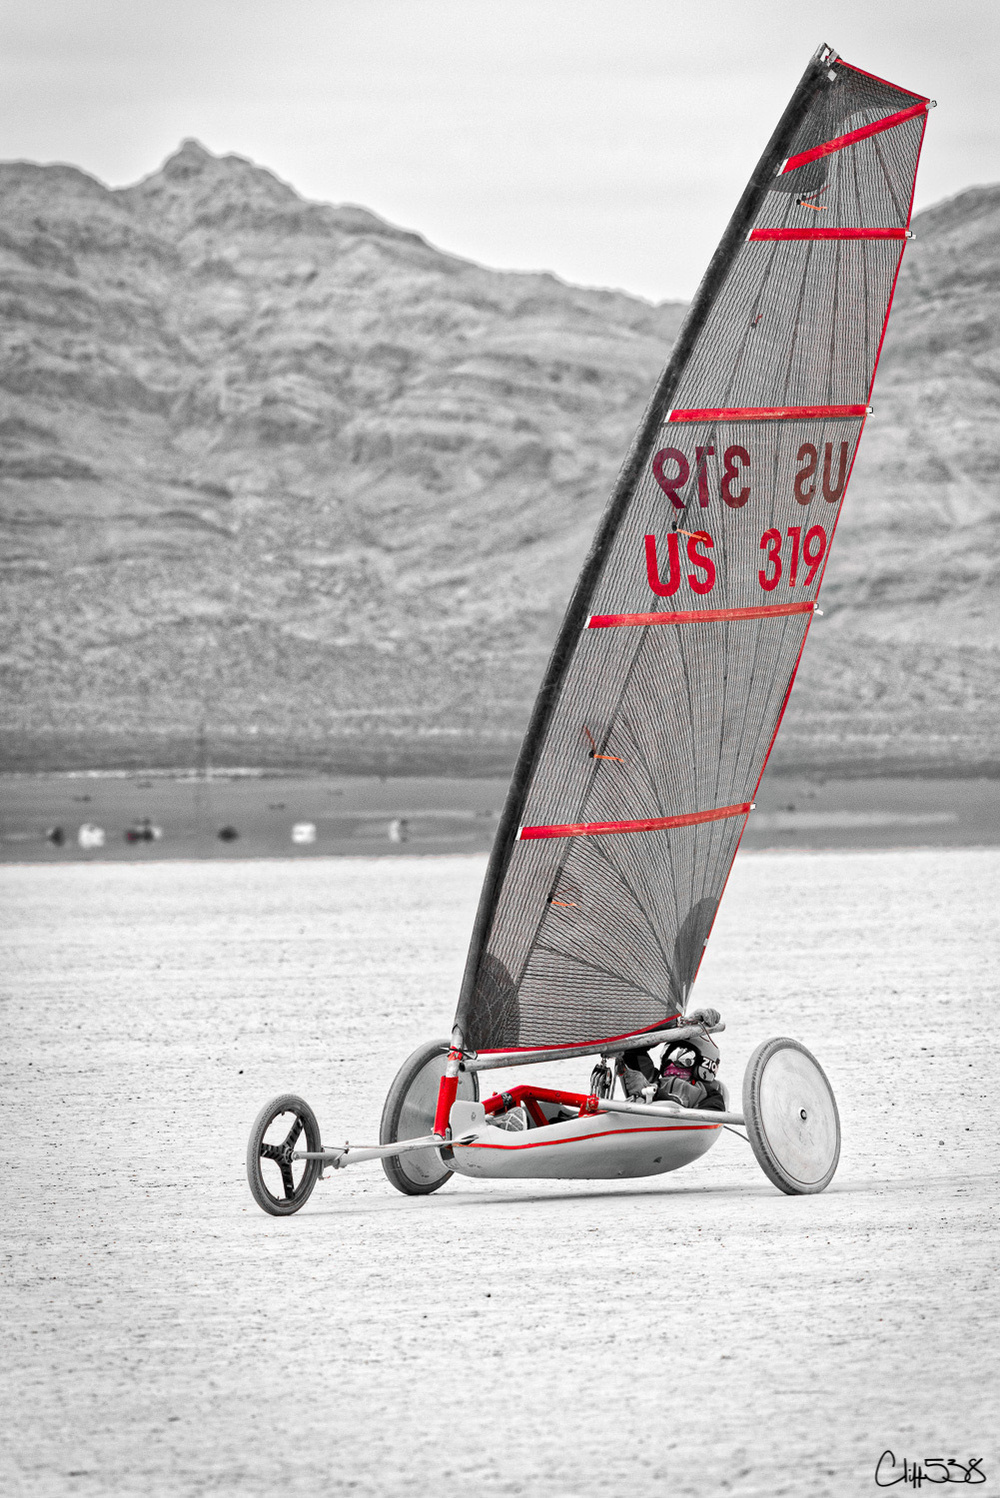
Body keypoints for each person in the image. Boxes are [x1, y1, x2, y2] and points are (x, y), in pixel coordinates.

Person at [620, 1008, 725, 1112]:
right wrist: (676, 1025)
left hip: (676, 1125)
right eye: (667, 1055)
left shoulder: (708, 1095)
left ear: (706, 1064)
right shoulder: (651, 1080)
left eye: (682, 1056)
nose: (670, 1062)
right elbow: (632, 1046)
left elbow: (707, 1119)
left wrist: (655, 1094)